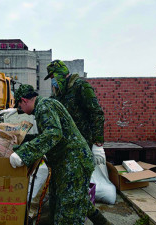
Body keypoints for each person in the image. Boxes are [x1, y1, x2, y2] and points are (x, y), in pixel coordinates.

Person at [9, 84, 111, 224]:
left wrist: (24, 154)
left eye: (20, 106)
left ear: (24, 100)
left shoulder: (44, 107)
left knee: (67, 211)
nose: (21, 110)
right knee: (71, 199)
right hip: (66, 163)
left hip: (73, 163)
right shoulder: (45, 105)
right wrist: (22, 143)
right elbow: (47, 134)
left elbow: (53, 134)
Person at [45, 60, 114, 220]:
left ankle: (80, 218)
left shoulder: (81, 87)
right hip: (65, 147)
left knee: (75, 187)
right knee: (63, 185)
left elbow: (96, 113)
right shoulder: (59, 93)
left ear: (62, 73)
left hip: (80, 145)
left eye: (54, 76)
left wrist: (98, 141)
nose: (53, 81)